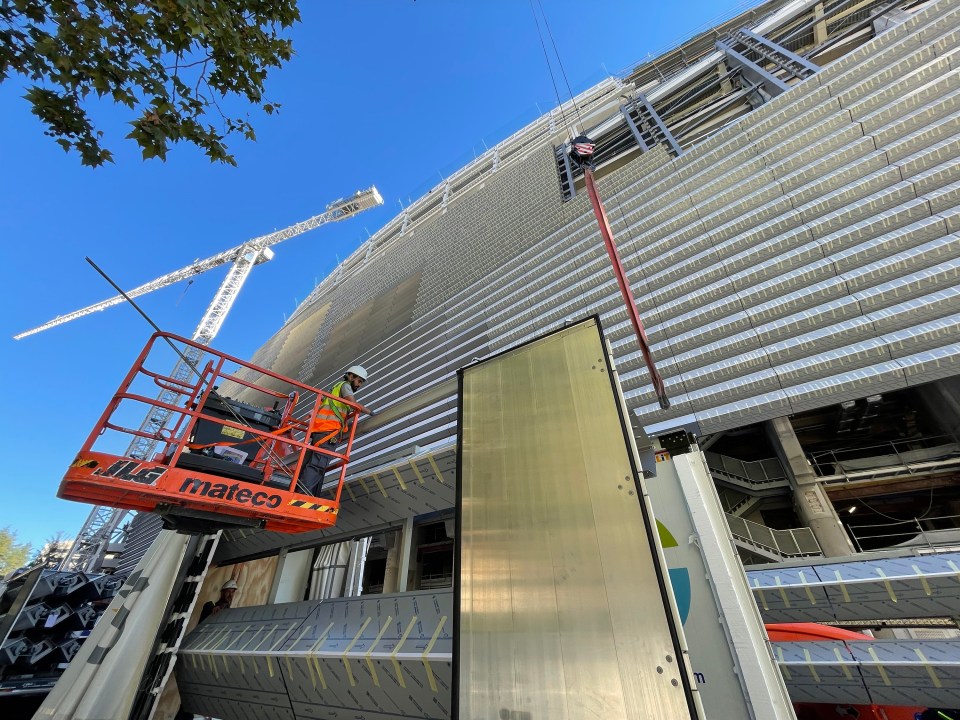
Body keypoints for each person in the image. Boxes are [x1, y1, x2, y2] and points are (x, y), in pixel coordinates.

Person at [300, 364, 374, 495]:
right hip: (329, 431)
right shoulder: (345, 386)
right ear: (350, 376)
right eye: (359, 381)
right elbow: (352, 403)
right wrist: (370, 412)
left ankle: (305, 493)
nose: (359, 385)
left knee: (310, 464)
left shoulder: (333, 389)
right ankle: (301, 495)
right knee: (318, 465)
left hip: (319, 430)